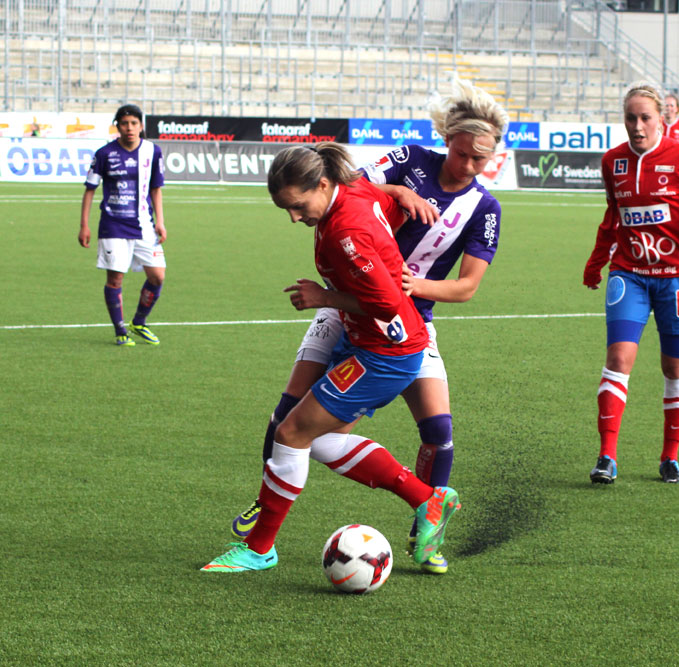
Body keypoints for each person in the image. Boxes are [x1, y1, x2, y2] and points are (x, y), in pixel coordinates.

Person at [230, 77, 507, 575]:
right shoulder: (409, 161)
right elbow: (354, 183)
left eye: (478, 159)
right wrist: (396, 189)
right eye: (461, 152)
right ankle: (264, 503)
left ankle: (428, 530)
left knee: (437, 431)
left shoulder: (484, 208)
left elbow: (466, 287)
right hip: (350, 307)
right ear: (448, 140)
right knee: (292, 414)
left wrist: (413, 286)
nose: (467, 164)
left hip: (398, 318)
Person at [201, 143, 461, 573]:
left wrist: (323, 297)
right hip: (372, 344)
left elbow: (387, 303)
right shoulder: (352, 190)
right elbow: (387, 204)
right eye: (286, 209)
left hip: (385, 353)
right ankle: (426, 500)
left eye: (298, 206)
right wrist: (399, 196)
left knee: (291, 433)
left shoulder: (346, 232)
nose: (294, 217)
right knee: (316, 440)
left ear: (322, 185)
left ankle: (259, 548)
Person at [582, 82, 679, 485]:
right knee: (618, 359)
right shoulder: (612, 161)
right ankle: (606, 457)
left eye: (645, 117)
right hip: (629, 274)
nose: (637, 125)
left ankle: (670, 458)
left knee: (675, 367)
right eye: (630, 118)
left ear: (661, 119)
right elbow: (613, 217)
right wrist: (596, 263)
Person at [78, 104, 166, 347]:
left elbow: (156, 189)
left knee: (157, 276)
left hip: (144, 225)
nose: (129, 128)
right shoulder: (104, 153)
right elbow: (90, 190)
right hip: (113, 225)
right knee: (116, 279)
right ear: (117, 126)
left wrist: (160, 221)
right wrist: (84, 225)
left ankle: (139, 322)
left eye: (134, 123)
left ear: (141, 126)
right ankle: (120, 330)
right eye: (124, 123)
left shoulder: (152, 151)